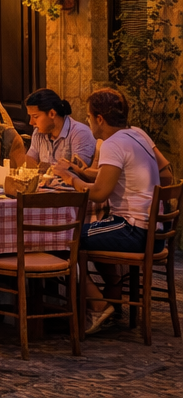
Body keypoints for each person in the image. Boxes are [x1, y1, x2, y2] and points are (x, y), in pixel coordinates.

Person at [54, 88, 175, 334]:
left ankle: (98, 306)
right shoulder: (138, 134)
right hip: (156, 231)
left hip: (132, 229)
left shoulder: (111, 144)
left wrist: (69, 178)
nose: (88, 123)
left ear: (99, 118)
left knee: (60, 237)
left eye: (88, 117)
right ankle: (110, 297)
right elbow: (167, 175)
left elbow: (99, 194)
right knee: (87, 231)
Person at [22, 88, 96, 168]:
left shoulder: (80, 133)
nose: (31, 122)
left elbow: (78, 172)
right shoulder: (38, 133)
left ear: (52, 113)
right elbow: (30, 165)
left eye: (35, 117)